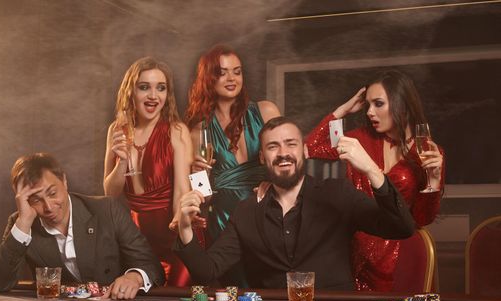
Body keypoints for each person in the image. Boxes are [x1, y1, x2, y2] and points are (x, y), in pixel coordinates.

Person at [173, 117, 415, 289]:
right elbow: (206, 272)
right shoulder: (246, 211)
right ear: (262, 157)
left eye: (291, 144)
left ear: (305, 151)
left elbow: (401, 227)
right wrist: (185, 228)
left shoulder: (338, 194)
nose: (283, 152)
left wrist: (372, 169)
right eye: (273, 146)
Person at [306, 70, 445, 292]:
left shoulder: (427, 152)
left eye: (378, 104)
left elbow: (421, 219)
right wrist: (341, 111)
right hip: (354, 250)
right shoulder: (361, 139)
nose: (370, 112)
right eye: (368, 104)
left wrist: (434, 182)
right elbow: (309, 148)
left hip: (397, 252)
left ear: (402, 105)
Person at [0, 153, 165, 299]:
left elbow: (153, 267)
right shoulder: (21, 224)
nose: (49, 207)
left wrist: (134, 277)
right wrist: (24, 222)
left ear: (64, 181)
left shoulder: (107, 209)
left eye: (52, 193)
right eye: (36, 200)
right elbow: (0, 283)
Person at [184, 45, 280, 286]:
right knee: (236, 293)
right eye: (223, 72)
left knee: (271, 287)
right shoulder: (198, 131)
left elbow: (287, 159)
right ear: (209, 78)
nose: (231, 79)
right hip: (224, 221)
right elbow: (204, 197)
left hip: (266, 212)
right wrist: (198, 175)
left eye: (237, 72)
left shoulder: (266, 111)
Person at [103, 57, 192, 286]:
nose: (154, 96)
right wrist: (121, 162)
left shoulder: (176, 130)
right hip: (135, 238)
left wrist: (179, 232)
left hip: (172, 232)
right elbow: (110, 194)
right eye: (145, 87)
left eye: (161, 88)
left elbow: (182, 190)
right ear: (131, 91)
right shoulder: (116, 129)